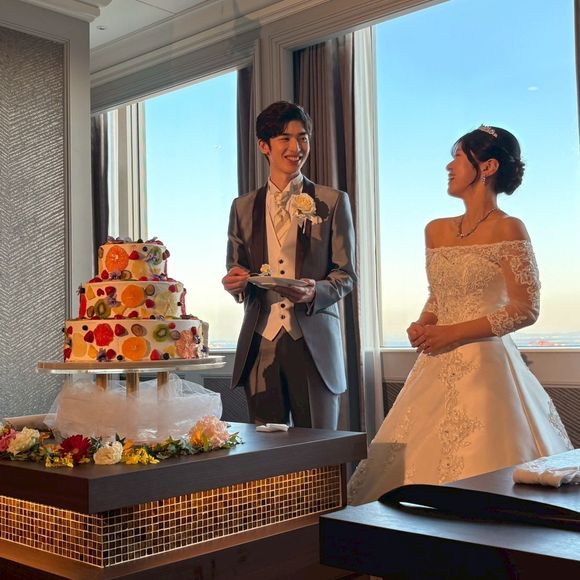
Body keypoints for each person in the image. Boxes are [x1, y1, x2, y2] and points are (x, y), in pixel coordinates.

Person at [348, 125, 572, 505]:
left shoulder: (509, 228)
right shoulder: (436, 230)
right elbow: (439, 296)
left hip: (486, 369)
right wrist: (424, 323)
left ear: (487, 167)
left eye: (457, 157)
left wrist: (451, 334)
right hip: (434, 364)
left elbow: (525, 309)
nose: (448, 166)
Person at [222, 101, 356, 430]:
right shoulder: (242, 207)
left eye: (303, 138)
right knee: (266, 450)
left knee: (319, 447)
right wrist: (235, 283)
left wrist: (315, 292)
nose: (296, 148)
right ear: (264, 146)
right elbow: (236, 268)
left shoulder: (331, 201)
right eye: (285, 138)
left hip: (313, 343)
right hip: (261, 343)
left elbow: (346, 275)